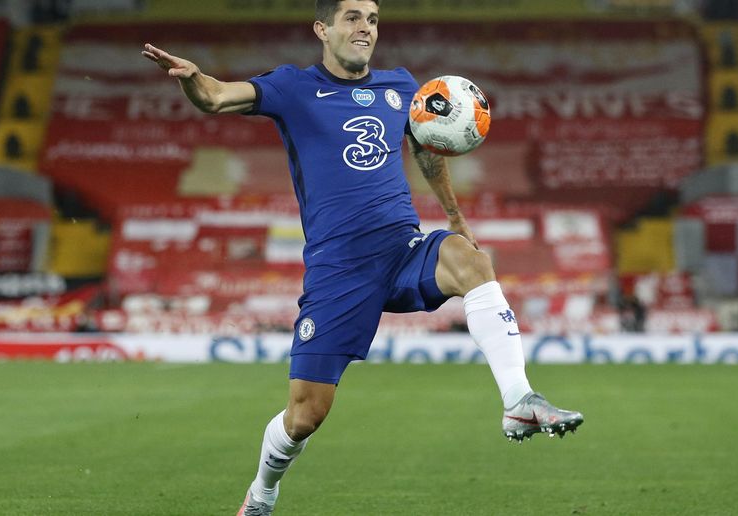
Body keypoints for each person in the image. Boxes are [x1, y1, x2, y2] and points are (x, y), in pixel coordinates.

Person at [142, 1, 583, 514]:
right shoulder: (293, 88)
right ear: (322, 29)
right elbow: (216, 97)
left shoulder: (401, 86)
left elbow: (424, 148)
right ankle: (261, 494)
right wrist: (192, 78)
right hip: (339, 270)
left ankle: (519, 402)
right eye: (352, 17)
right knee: (306, 415)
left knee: (473, 262)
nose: (365, 28)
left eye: (372, 19)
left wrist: (455, 218)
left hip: (402, 248)